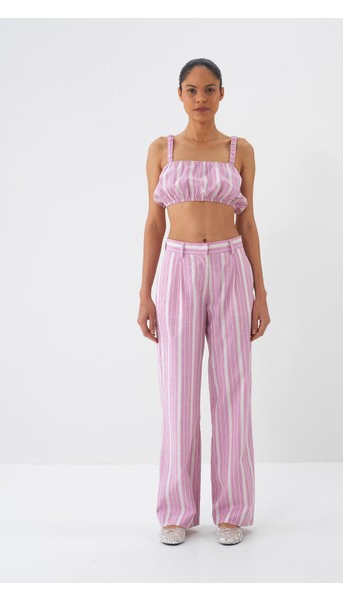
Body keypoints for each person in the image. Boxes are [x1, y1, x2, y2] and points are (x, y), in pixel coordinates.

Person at [138, 58, 270, 545]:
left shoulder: (240, 150)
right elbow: (154, 223)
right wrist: (145, 293)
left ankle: (232, 511)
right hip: (178, 269)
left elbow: (248, 222)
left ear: (221, 94)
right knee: (178, 391)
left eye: (209, 89)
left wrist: (260, 292)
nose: (201, 98)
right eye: (192, 90)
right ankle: (176, 510)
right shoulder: (162, 150)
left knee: (233, 389)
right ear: (180, 94)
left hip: (231, 267)